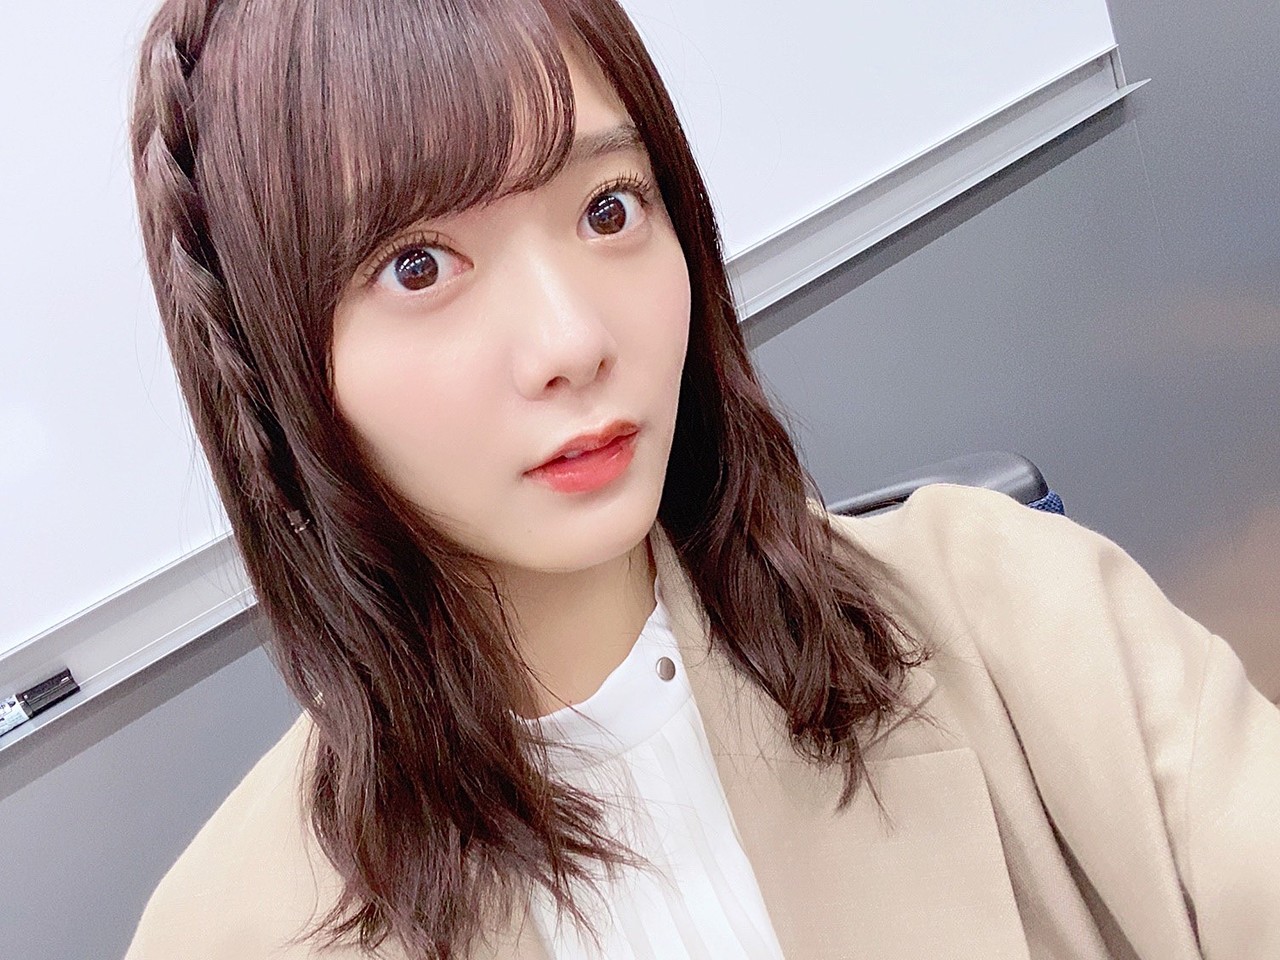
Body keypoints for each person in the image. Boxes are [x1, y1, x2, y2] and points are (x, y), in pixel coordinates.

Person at [122, 0, 1279, 957]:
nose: (571, 340)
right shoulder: (224, 931)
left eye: (607, 208)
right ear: (275, 372)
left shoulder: (1018, 610)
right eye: (418, 266)